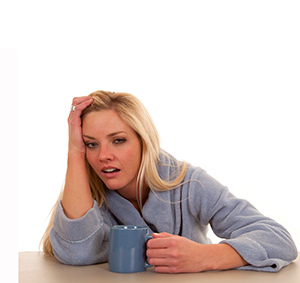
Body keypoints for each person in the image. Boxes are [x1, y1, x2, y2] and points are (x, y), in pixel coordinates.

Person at [41, 90, 298, 273]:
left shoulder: (190, 184)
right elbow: (76, 252)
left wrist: (205, 256)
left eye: (118, 140)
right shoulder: (88, 192)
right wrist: (75, 152)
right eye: (91, 144)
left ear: (144, 141)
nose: (103, 156)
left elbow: (279, 241)